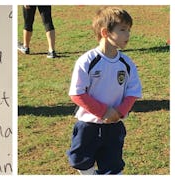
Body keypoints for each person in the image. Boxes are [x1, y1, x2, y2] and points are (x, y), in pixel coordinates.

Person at [66, 7, 142, 175]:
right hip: (88, 125)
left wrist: (119, 112)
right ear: (105, 32)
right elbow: (77, 93)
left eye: (129, 30)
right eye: (123, 30)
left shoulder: (126, 63)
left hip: (114, 126)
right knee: (80, 161)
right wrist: (103, 111)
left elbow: (133, 92)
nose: (128, 35)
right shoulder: (87, 61)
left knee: (113, 167)